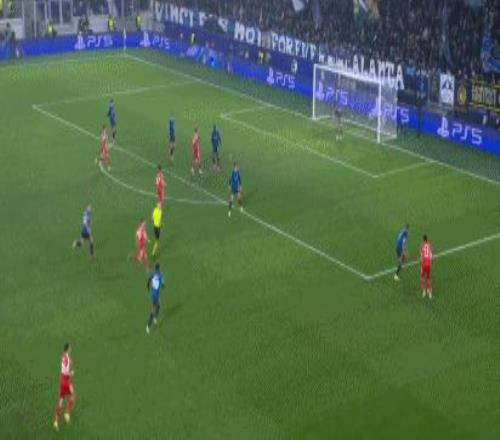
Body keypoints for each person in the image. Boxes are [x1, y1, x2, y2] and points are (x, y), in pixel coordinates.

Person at [53, 343, 76, 431]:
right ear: (68, 349)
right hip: (66, 381)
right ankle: (67, 413)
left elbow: (65, 363)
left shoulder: (63, 356)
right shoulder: (67, 358)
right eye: (70, 348)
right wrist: (71, 373)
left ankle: (56, 422)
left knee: (61, 400)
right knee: (73, 396)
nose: (71, 349)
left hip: (61, 380)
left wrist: (70, 361)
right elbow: (66, 371)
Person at [146, 263, 165, 334]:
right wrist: (162, 284)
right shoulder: (160, 275)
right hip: (155, 295)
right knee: (153, 309)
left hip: (152, 293)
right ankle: (148, 326)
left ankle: (155, 319)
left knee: (158, 306)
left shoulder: (153, 273)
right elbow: (163, 285)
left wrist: (148, 287)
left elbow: (148, 281)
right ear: (159, 268)